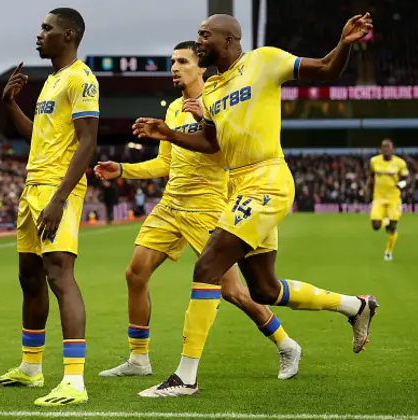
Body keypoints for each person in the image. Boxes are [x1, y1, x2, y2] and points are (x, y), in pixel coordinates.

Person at [132, 13, 378, 397]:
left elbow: (326, 70)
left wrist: (344, 44)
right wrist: (170, 133)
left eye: (204, 36)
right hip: (238, 184)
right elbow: (212, 145)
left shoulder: (263, 61)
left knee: (208, 265)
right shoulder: (211, 91)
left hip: (267, 178)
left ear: (229, 40)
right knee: (263, 288)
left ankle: (185, 377)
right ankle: (356, 305)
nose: (197, 42)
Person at [95, 41, 301, 382]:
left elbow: (226, 154)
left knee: (233, 291)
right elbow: (164, 162)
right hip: (171, 205)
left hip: (208, 208)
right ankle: (138, 358)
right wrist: (123, 169)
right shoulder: (174, 108)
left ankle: (286, 343)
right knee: (135, 274)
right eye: (172, 61)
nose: (175, 67)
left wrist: (204, 119)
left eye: (183, 61)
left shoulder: (220, 100)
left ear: (201, 66)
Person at [0, 7, 99, 407]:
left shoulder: (81, 78)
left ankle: (74, 380)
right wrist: (11, 104)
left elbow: (87, 143)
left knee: (60, 276)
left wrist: (59, 198)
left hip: (56, 190)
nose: (39, 34)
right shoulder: (52, 81)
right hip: (32, 187)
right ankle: (31, 369)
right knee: (29, 277)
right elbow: (38, 137)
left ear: (68, 35)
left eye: (47, 29)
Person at [366, 139, 409, 261]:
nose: (385, 149)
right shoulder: (374, 161)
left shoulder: (400, 163)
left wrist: (401, 184)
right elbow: (371, 175)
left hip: (393, 198)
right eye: (383, 147)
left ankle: (389, 252)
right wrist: (366, 188)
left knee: (392, 227)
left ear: (392, 149)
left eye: (387, 147)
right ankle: (385, 220)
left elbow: (407, 178)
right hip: (378, 197)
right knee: (375, 225)